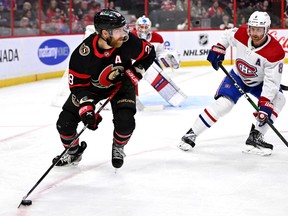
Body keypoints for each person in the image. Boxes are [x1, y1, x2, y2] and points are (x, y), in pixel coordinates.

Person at [53, 9, 156, 169]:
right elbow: (78, 86)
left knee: (126, 123)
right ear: (105, 33)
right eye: (119, 30)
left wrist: (135, 72)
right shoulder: (82, 55)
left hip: (122, 84)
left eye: (124, 28)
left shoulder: (127, 42)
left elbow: (149, 54)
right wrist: (87, 109)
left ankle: (118, 147)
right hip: (91, 90)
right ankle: (73, 153)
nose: (124, 33)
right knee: (65, 123)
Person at [178, 11, 286, 156]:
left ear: (266, 30)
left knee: (279, 99)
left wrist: (265, 103)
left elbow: (271, 82)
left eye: (259, 30)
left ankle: (255, 137)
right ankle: (191, 134)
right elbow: (228, 35)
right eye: (252, 29)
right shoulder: (241, 33)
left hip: (259, 83)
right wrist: (220, 48)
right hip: (238, 76)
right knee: (224, 104)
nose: (254, 33)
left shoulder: (275, 52)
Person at [131, 15, 186, 107]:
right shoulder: (131, 36)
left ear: (149, 27)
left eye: (146, 27)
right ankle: (132, 98)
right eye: (141, 26)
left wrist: (169, 57)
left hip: (150, 62)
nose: (143, 29)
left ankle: (174, 96)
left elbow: (160, 54)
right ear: (137, 27)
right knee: (131, 77)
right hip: (133, 61)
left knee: (159, 75)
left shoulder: (157, 38)